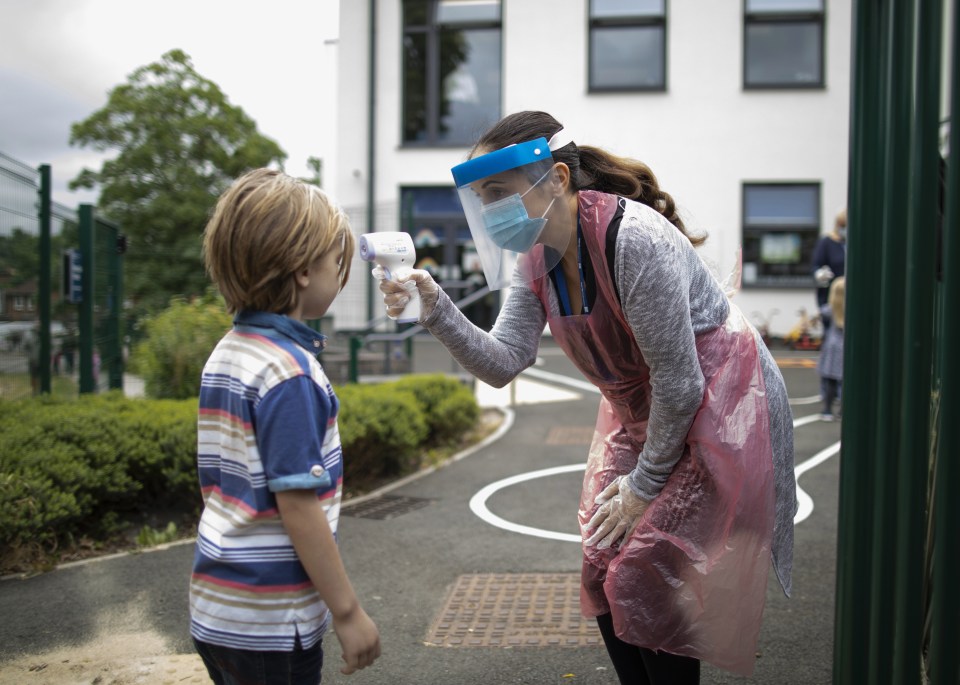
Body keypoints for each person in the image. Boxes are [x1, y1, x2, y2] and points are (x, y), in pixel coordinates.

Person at [376, 111, 796, 682]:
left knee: (647, 568)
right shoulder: (535, 259)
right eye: (482, 196)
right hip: (648, 413)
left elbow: (680, 383)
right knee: (600, 567)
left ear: (557, 178)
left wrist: (642, 488)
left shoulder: (633, 240)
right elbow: (503, 362)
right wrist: (435, 308)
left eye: (499, 191)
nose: (491, 208)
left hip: (719, 405)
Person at [190, 168, 381, 684]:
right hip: (274, 622)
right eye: (335, 262)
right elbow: (298, 505)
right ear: (301, 270)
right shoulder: (289, 372)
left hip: (218, 607)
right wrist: (345, 612)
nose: (339, 276)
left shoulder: (228, 354)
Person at [811, 208, 847, 330]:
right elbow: (815, 266)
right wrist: (820, 274)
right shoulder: (827, 243)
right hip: (833, 300)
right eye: (843, 225)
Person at [817, 276, 845, 421]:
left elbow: (821, 311)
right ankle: (842, 410)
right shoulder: (852, 309)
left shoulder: (830, 309)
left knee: (830, 380)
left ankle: (827, 410)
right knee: (844, 381)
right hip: (845, 347)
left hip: (832, 346)